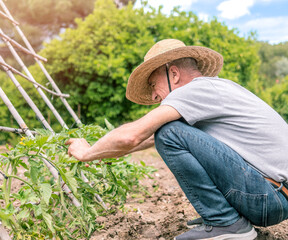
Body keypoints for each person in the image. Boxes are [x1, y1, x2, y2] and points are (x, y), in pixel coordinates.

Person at [66, 39, 288, 240]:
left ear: (173, 74)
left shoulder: (194, 90)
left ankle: (225, 222)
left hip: (267, 197)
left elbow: (133, 136)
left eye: (153, 85)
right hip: (275, 196)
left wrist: (87, 152)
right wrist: (105, 150)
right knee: (168, 131)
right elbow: (145, 138)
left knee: (168, 132)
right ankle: (228, 219)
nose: (154, 96)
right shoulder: (215, 88)